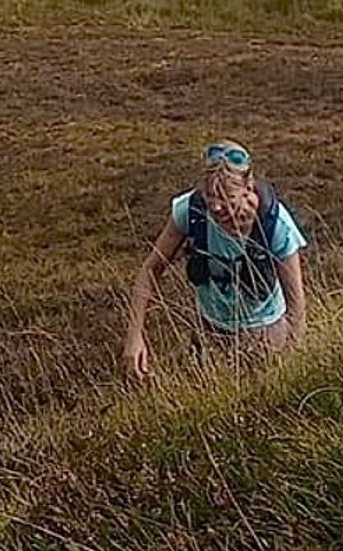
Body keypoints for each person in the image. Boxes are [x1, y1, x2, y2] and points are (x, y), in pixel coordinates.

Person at [123, 141, 307, 380]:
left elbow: (296, 304)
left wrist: (293, 363)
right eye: (210, 196)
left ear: (248, 187)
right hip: (208, 332)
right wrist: (134, 337)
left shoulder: (275, 224)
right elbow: (151, 269)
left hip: (267, 335)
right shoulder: (190, 211)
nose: (218, 207)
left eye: (228, 197)